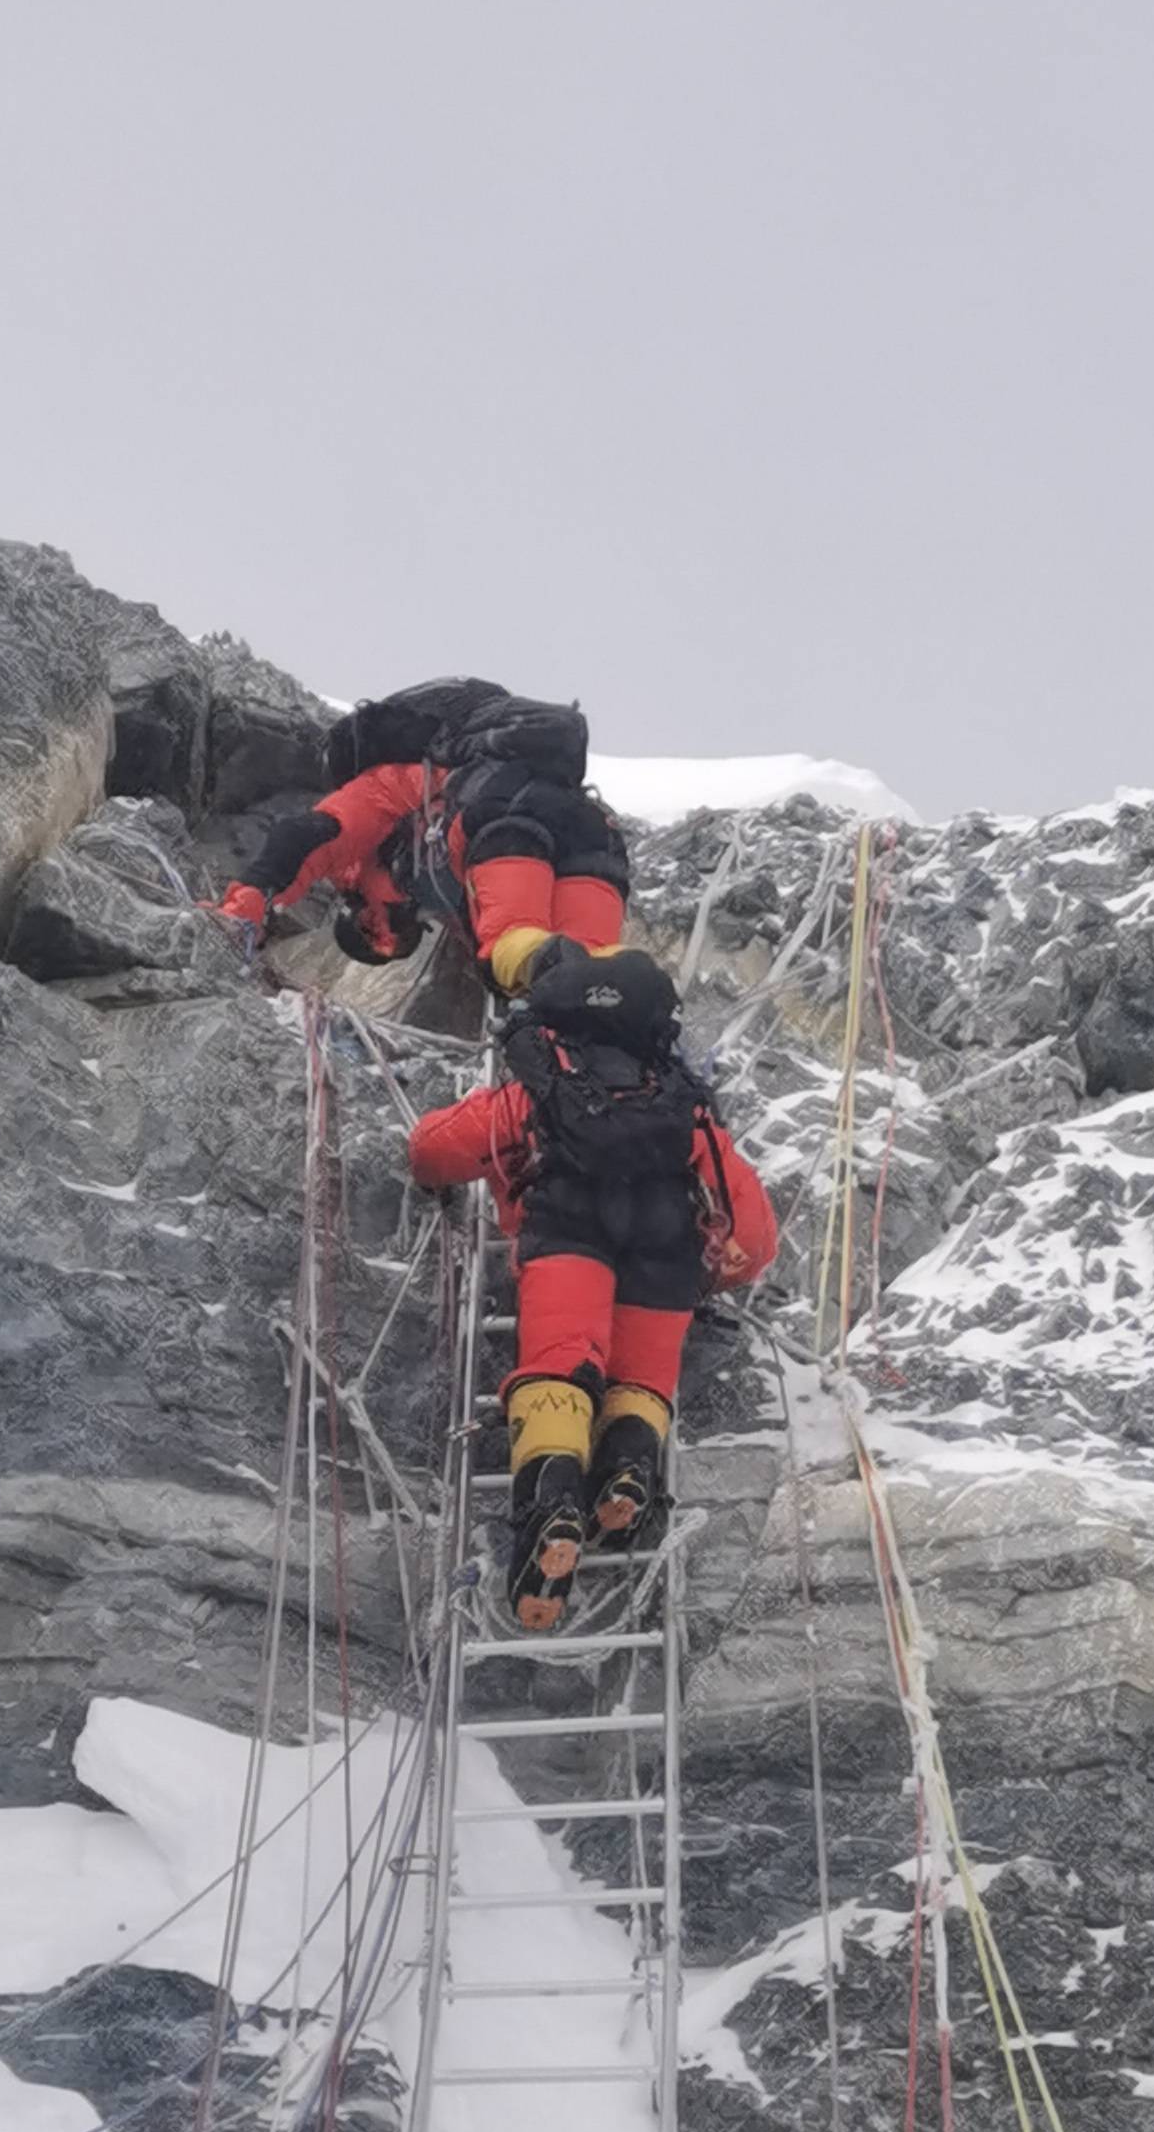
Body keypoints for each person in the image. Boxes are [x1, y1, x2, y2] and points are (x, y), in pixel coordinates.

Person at [404, 944, 779, 1629]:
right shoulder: (681, 1108)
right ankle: (627, 1475)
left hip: (567, 1237)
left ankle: (551, 1508)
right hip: (664, 1256)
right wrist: (715, 1273)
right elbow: (752, 1237)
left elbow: (433, 1149)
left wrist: (435, 1170)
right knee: (639, 1384)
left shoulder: (538, 1093)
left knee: (561, 1367)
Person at [216, 679, 631, 996]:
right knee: (593, 983)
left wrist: (243, 912)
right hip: (588, 833)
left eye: (379, 941)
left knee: (515, 954)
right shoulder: (428, 889)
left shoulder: (378, 813)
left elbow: (306, 836)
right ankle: (638, 1009)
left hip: (503, 823)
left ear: (361, 920)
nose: (393, 940)